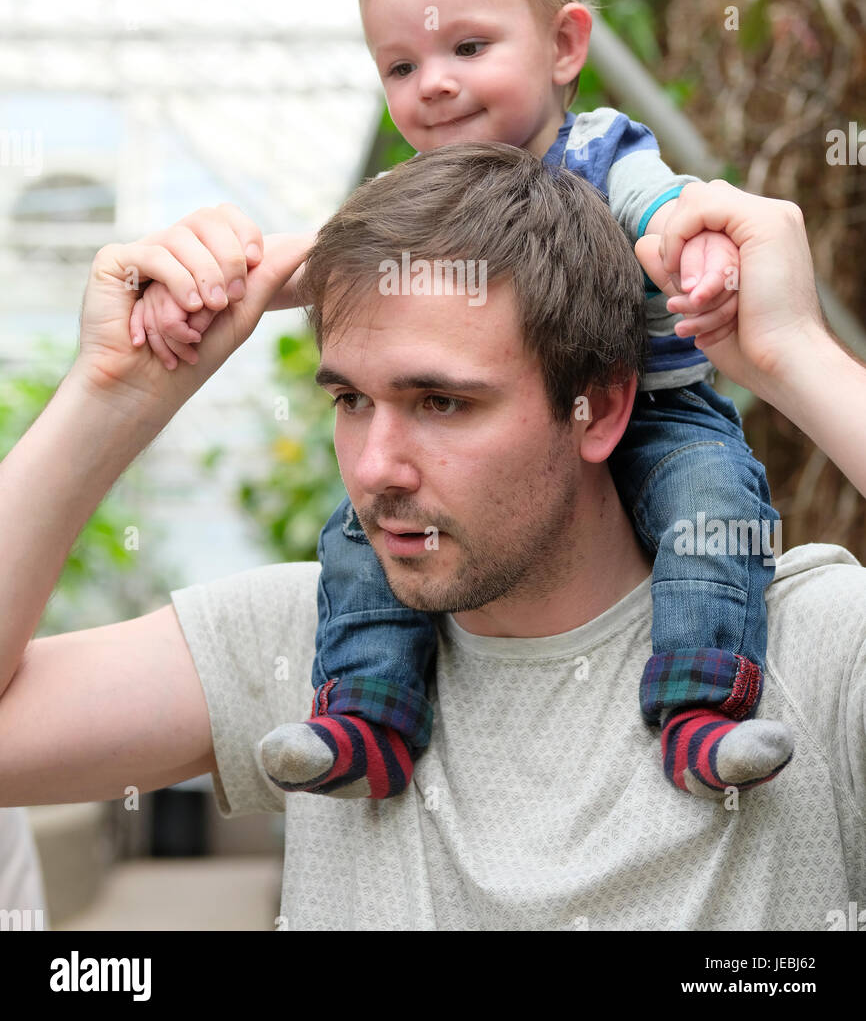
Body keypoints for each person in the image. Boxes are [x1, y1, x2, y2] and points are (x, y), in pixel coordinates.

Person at [0, 155, 863, 932]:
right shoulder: (309, 645)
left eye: (441, 403)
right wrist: (113, 394)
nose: (375, 469)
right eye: (349, 401)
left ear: (596, 408)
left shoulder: (812, 653)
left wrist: (797, 355)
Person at [132, 0, 788, 801]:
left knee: (712, 506)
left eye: (468, 47)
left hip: (665, 409)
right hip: (533, 444)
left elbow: (664, 207)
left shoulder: (602, 153)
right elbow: (312, 256)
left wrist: (702, 246)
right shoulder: (418, 199)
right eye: (400, 67)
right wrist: (206, 285)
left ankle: (702, 708)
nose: (432, 83)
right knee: (356, 542)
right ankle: (367, 716)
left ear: (563, 45)